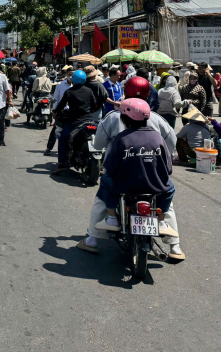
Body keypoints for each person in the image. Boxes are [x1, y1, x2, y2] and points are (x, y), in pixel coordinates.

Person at [83, 75, 184, 260]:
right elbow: (171, 146)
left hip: (121, 177)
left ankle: (92, 239)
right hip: (152, 178)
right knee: (166, 201)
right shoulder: (157, 121)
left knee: (101, 197)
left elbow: (99, 145)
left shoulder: (114, 119)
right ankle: (175, 247)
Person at [91, 98, 178, 238]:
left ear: (124, 118)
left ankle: (112, 219)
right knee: (170, 189)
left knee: (105, 181)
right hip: (154, 186)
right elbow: (168, 167)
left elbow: (111, 167)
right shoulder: (157, 137)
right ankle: (161, 222)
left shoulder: (121, 138)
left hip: (124, 186)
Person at [54, 70, 99, 172]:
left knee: (63, 140)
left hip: (74, 122)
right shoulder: (89, 91)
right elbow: (94, 106)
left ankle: (62, 164)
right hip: (88, 121)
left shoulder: (69, 92)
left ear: (73, 79)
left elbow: (60, 106)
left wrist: (55, 111)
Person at [44, 66, 75, 155]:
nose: (71, 76)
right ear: (66, 74)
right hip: (61, 111)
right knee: (55, 130)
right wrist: (54, 110)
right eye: (69, 74)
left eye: (73, 75)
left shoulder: (78, 85)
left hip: (73, 112)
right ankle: (49, 148)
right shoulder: (60, 85)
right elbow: (56, 98)